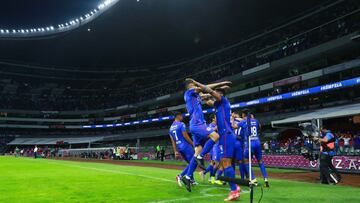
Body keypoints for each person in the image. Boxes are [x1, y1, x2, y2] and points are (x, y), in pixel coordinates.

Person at [192, 79, 240, 201]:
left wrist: (197, 84)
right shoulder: (218, 105)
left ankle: (234, 191)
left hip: (225, 135)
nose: (213, 95)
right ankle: (235, 187)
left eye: (215, 93)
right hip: (227, 136)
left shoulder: (222, 101)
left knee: (225, 163)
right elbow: (208, 100)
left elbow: (209, 91)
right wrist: (201, 97)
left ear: (219, 94)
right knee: (226, 163)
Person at [181, 78, 229, 192]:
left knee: (196, 153)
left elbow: (206, 95)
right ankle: (201, 157)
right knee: (216, 137)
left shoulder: (195, 96)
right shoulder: (189, 92)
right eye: (193, 84)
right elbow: (204, 87)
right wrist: (221, 83)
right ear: (190, 85)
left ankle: (187, 177)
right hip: (198, 124)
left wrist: (217, 92)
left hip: (195, 124)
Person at [240, 109, 269, 187]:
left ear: (243, 114)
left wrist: (232, 119)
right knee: (260, 161)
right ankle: (266, 179)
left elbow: (234, 126)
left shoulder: (243, 121)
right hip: (257, 142)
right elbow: (259, 126)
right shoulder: (255, 121)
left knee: (246, 161)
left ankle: (253, 179)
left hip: (249, 143)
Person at [168, 112, 196, 187]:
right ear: (178, 116)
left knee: (190, 163)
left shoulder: (170, 128)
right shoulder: (181, 124)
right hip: (186, 146)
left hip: (179, 148)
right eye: (181, 116)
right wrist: (193, 144)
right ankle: (180, 176)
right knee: (194, 162)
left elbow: (173, 141)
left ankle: (191, 180)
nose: (182, 117)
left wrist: (175, 151)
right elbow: (186, 136)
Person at [199, 114, 223, 185]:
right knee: (217, 162)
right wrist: (216, 128)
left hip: (218, 145)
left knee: (213, 162)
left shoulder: (217, 125)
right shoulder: (210, 125)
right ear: (213, 119)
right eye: (216, 117)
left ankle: (206, 174)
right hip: (214, 146)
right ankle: (212, 177)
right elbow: (208, 134)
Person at [232, 112, 246, 180]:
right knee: (241, 161)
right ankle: (242, 178)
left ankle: (232, 177)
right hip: (239, 143)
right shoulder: (243, 121)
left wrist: (233, 117)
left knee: (231, 161)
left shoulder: (232, 121)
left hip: (232, 142)